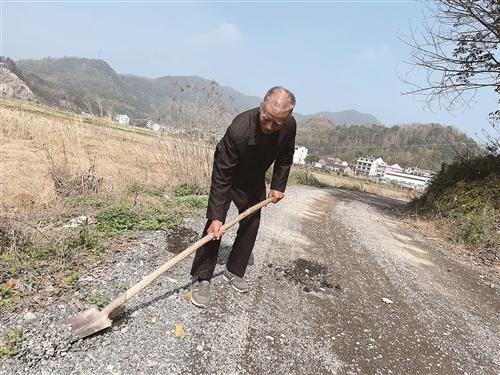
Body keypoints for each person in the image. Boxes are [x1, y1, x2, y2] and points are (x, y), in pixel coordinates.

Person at [190, 86, 296, 308]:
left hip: (254, 176)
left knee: (252, 220)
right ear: (261, 106)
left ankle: (234, 269)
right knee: (214, 227)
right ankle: (202, 277)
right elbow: (221, 177)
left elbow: (286, 157)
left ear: (287, 118)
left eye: (277, 123)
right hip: (229, 173)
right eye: (266, 119)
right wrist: (218, 216)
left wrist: (277, 185)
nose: (269, 126)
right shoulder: (239, 128)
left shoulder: (289, 128)